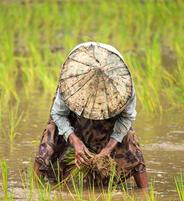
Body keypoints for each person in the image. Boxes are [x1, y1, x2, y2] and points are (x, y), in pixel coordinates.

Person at [34, 42, 148, 188]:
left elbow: (127, 118)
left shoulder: (123, 87)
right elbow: (58, 114)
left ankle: (144, 193)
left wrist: (107, 149)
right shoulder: (70, 83)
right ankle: (34, 190)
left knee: (128, 138)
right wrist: (75, 140)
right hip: (71, 103)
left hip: (113, 107)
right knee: (51, 135)